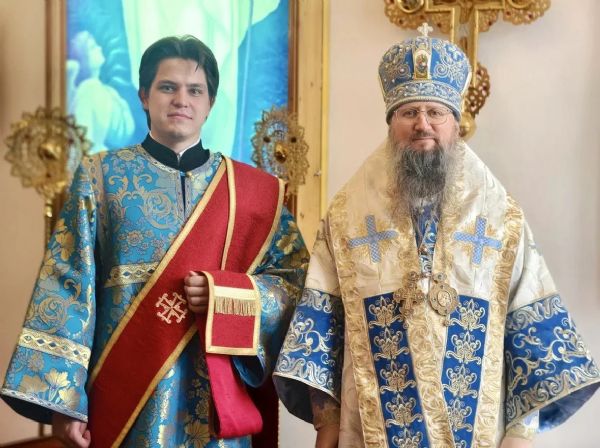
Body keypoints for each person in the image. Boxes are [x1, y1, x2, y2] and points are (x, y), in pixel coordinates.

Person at [273, 26, 600, 448]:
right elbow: (321, 327)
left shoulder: (500, 218)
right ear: (391, 123)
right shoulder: (347, 217)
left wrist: (520, 436)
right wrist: (327, 428)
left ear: (455, 123)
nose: (422, 124)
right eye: (409, 112)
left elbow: (531, 334)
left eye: (435, 112)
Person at [1, 35, 308, 447]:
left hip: (214, 402)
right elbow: (68, 285)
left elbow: (295, 286)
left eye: (195, 90)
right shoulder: (100, 178)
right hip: (126, 400)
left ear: (210, 103)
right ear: (144, 95)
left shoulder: (255, 193)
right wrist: (64, 402)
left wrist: (228, 296)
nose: (181, 100)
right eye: (168, 87)